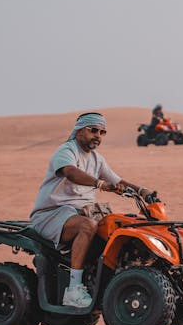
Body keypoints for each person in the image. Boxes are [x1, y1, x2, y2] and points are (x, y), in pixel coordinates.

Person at [30, 112, 152, 307]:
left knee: (116, 227)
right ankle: (73, 290)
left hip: (79, 212)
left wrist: (144, 192)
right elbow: (70, 172)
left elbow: (118, 181)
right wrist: (99, 184)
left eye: (102, 132)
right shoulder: (67, 151)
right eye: (93, 130)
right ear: (79, 131)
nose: (98, 136)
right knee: (87, 227)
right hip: (51, 213)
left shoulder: (97, 159)